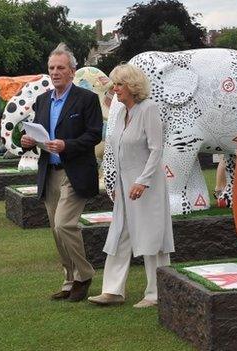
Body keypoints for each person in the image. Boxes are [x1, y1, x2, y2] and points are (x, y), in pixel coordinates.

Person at [21, 43, 103, 302]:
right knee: (56, 231)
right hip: (50, 172)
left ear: (72, 71)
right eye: (51, 68)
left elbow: (94, 135)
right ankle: (69, 280)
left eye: (60, 68)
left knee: (64, 224)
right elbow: (39, 132)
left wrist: (67, 145)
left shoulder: (87, 99)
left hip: (75, 172)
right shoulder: (42, 100)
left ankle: (85, 275)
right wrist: (29, 140)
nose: (55, 72)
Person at [88, 64, 174, 308]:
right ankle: (112, 290)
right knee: (119, 235)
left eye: (119, 84)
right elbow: (115, 150)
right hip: (126, 186)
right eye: (114, 84)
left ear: (133, 86)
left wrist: (142, 181)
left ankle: (156, 293)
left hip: (147, 185)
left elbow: (157, 149)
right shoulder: (120, 113)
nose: (115, 89)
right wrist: (116, 182)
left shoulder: (149, 109)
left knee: (152, 236)